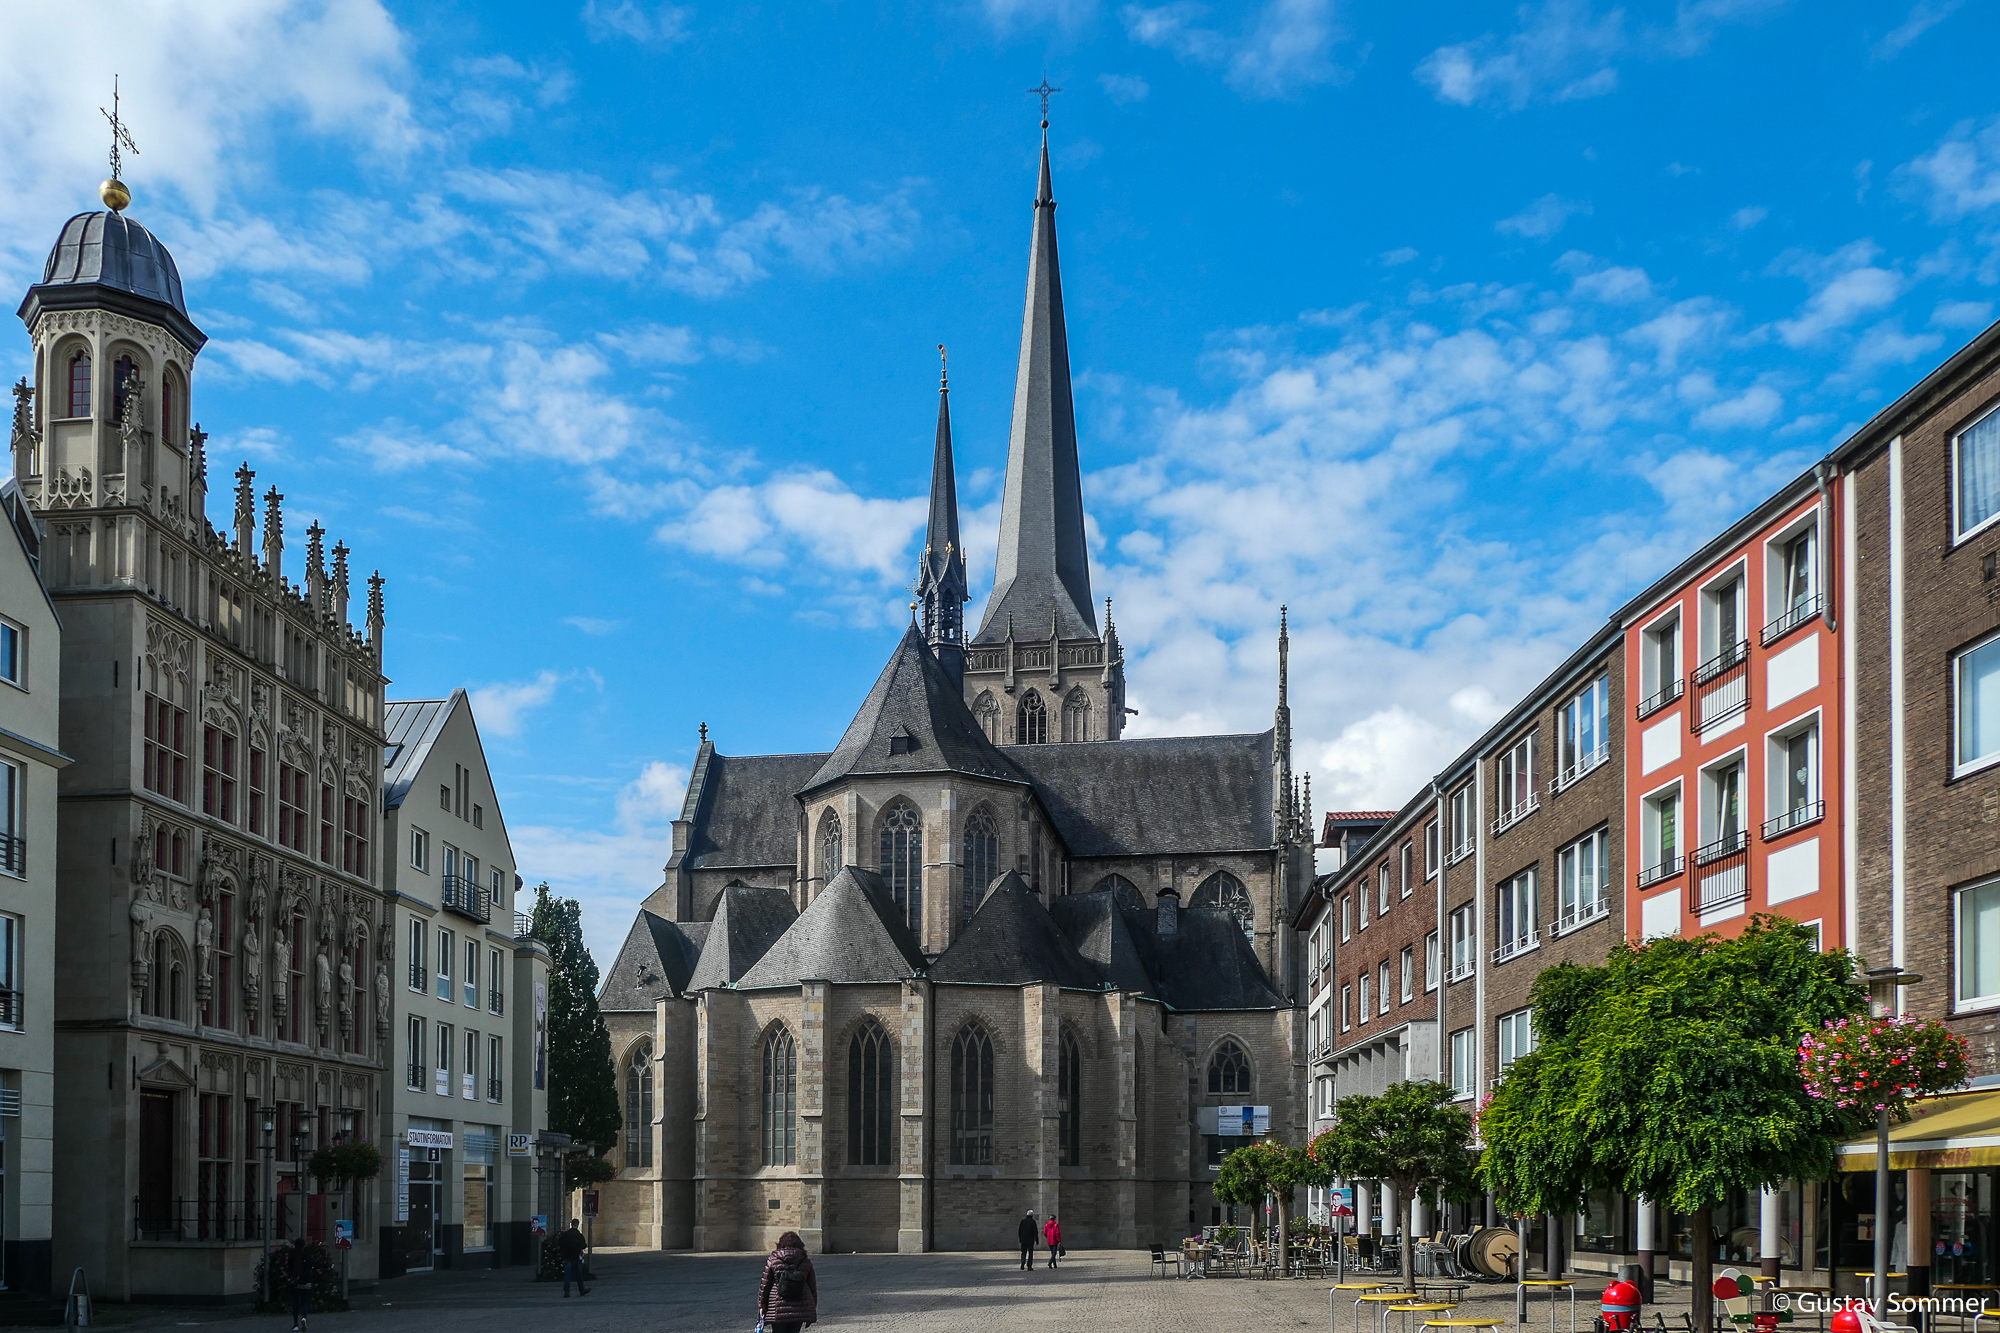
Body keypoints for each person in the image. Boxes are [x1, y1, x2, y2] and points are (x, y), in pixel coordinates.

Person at [757, 1230, 818, 1333]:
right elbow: (812, 1286)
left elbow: (765, 1285)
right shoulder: (806, 1261)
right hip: (800, 1306)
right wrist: (813, 1305)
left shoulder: (772, 1260)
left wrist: (762, 1304)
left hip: (776, 1305)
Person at [286, 1236, 313, 1332]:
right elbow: (310, 1267)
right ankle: (304, 1317)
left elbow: (288, 1268)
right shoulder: (307, 1256)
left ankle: (295, 1324)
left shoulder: (292, 1256)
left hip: (295, 1282)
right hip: (306, 1281)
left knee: (295, 1302)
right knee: (305, 1301)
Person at [557, 1219, 589, 1296]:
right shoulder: (579, 1235)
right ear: (577, 1225)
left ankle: (566, 1292)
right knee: (579, 1275)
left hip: (567, 1257)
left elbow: (560, 1244)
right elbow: (583, 1245)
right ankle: (581, 1290)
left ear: (571, 1224)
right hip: (576, 1257)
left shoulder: (565, 1235)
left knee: (567, 1276)